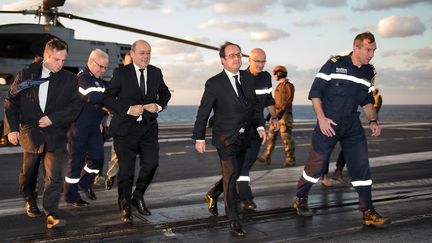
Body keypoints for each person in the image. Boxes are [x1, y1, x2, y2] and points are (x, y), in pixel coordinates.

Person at [292, 32, 391, 226]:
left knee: (361, 166)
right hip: (328, 122)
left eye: (374, 50)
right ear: (356, 47)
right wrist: (321, 119)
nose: (371, 54)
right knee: (316, 166)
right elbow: (315, 93)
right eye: (368, 50)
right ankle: (300, 197)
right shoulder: (333, 64)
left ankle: (368, 210)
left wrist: (373, 120)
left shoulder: (369, 71)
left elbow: (367, 100)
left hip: (352, 125)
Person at [4, 38, 83, 228]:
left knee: (54, 177)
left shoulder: (70, 79)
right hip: (31, 133)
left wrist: (53, 118)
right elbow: (11, 101)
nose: (60, 64)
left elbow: (76, 106)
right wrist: (12, 128)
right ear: (46, 55)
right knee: (28, 174)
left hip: (56, 134)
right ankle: (30, 199)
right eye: (57, 60)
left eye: (63, 60)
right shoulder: (27, 75)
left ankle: (51, 212)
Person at [192, 42, 266, 237]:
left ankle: (213, 193)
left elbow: (255, 106)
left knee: (233, 174)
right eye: (232, 55)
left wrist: (260, 126)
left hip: (246, 137)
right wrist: (199, 137)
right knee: (232, 175)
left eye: (239, 54)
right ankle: (234, 220)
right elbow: (204, 111)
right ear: (223, 60)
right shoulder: (214, 83)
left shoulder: (249, 79)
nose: (237, 58)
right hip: (225, 138)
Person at [103, 40, 171, 224]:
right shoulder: (120, 73)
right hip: (125, 129)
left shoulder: (156, 72)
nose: (146, 56)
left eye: (148, 53)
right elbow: (107, 97)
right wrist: (127, 109)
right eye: (142, 53)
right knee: (126, 171)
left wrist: (157, 105)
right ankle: (125, 205)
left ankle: (137, 195)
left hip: (148, 128)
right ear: (132, 54)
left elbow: (165, 94)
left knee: (152, 164)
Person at [64, 49, 109, 207]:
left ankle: (85, 182)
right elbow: (93, 96)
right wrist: (109, 105)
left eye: (105, 68)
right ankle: (71, 196)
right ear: (91, 62)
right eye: (101, 67)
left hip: (94, 127)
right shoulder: (82, 77)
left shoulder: (98, 80)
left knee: (98, 159)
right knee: (76, 162)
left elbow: (107, 94)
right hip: (79, 128)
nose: (103, 71)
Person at [237, 48, 279, 210]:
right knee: (243, 162)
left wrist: (274, 117)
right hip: (241, 128)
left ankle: (217, 190)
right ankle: (246, 197)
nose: (260, 65)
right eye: (257, 61)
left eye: (263, 61)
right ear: (249, 61)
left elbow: (269, 99)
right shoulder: (240, 77)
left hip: (257, 126)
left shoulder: (266, 77)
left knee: (249, 161)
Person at [258, 65, 296, 166]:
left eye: (275, 73)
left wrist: (279, 114)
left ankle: (290, 159)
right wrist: (272, 114)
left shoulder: (288, 85)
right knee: (271, 136)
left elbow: (288, 101)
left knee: (286, 138)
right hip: (277, 115)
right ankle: (267, 156)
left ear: (279, 73)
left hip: (285, 115)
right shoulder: (279, 85)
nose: (274, 75)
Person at [105, 51, 132, 190]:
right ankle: (111, 175)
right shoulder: (119, 76)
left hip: (138, 122)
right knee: (117, 152)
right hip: (121, 120)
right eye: (127, 63)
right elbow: (108, 96)